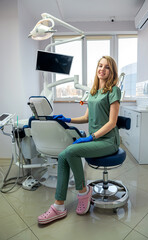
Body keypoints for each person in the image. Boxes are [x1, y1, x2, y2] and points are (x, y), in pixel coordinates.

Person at [38, 56, 121, 225]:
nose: (102, 69)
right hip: (96, 140)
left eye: (106, 67)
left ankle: (83, 192)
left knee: (71, 151)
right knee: (63, 156)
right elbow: (86, 117)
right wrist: (66, 119)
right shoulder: (93, 93)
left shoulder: (114, 91)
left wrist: (91, 137)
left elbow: (112, 122)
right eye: (100, 65)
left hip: (108, 141)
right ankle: (59, 206)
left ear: (111, 72)